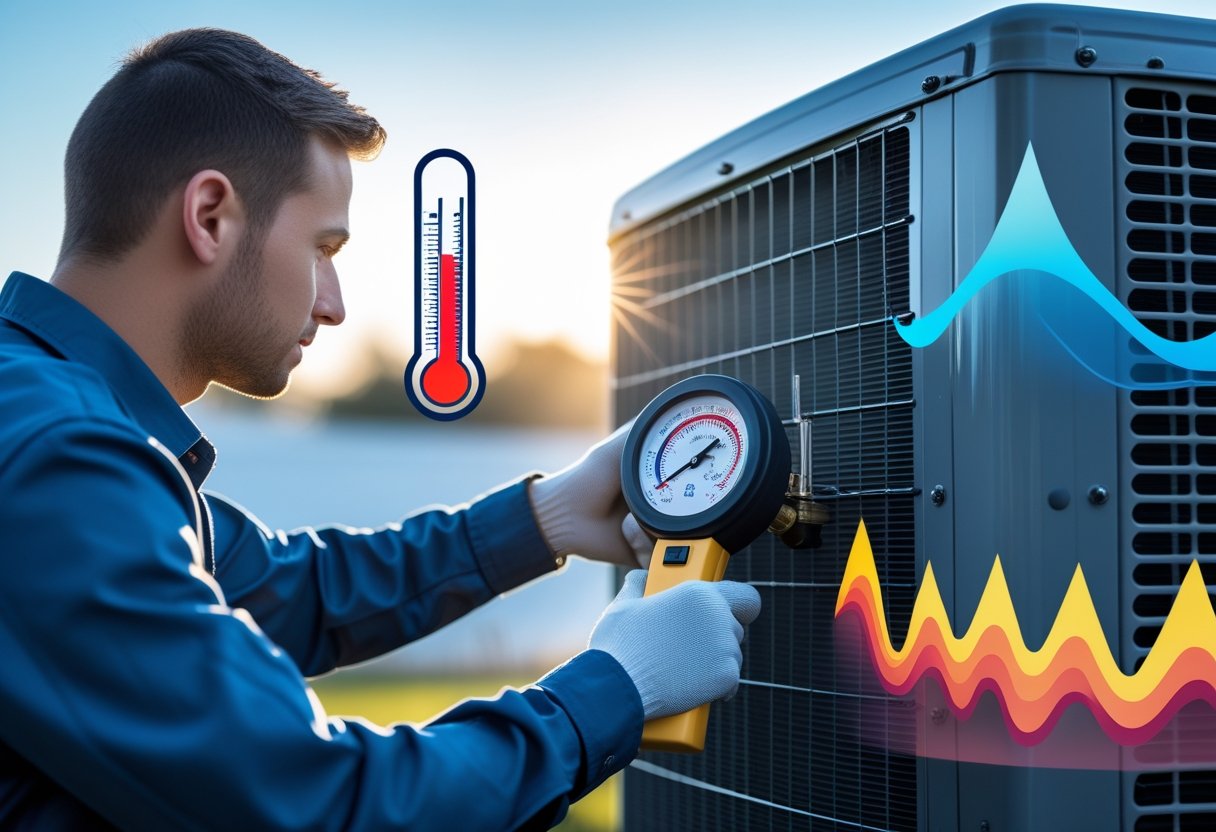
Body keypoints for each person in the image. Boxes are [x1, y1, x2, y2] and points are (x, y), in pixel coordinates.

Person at [0, 28, 762, 831]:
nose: (333, 303)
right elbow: (319, 806)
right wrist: (616, 687)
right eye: (323, 248)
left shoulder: (51, 421)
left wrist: (548, 517)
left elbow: (282, 592)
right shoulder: (57, 456)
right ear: (211, 215)